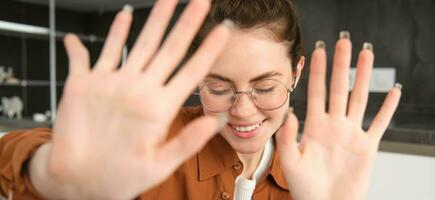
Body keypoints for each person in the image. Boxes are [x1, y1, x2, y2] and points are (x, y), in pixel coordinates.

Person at [0, 0, 401, 199]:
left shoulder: (316, 174)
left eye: (265, 87)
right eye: (219, 88)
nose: (242, 110)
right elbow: (9, 152)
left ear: (296, 73)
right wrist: (50, 176)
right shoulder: (152, 141)